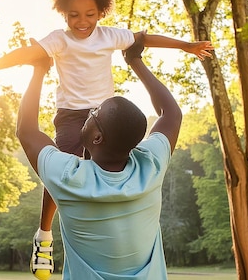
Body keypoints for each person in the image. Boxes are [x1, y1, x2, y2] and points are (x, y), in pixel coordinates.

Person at [0, 0, 213, 279]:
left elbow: (143, 39)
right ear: (62, 13)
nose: (82, 21)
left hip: (104, 114)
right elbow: (28, 53)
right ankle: (44, 234)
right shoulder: (59, 40)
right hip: (71, 115)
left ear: (101, 11)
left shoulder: (110, 35)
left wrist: (184, 45)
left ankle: (59, 231)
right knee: (57, 168)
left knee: (72, 170)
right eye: (73, 15)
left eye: (90, 14)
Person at [15, 38, 183, 279]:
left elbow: (26, 131)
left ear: (97, 137)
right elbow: (172, 114)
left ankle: (43, 235)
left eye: (95, 113)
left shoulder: (68, 177)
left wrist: (39, 70)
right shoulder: (151, 165)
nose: (90, 110)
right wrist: (135, 61)